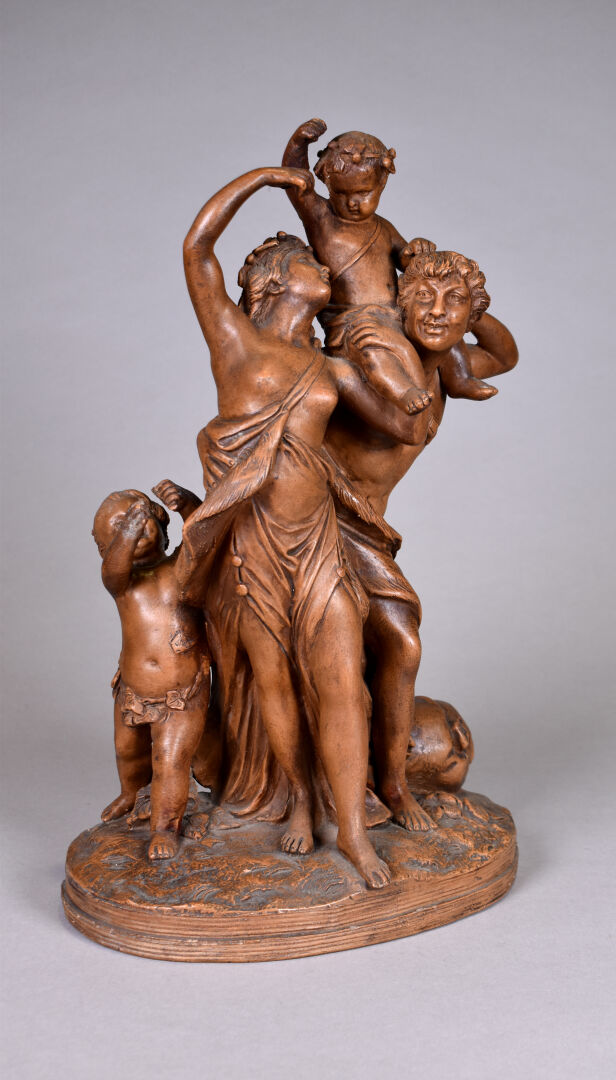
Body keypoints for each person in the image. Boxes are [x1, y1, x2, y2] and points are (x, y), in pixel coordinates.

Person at [175, 164, 426, 887]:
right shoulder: (235, 342)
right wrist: (264, 177)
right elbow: (197, 249)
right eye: (311, 264)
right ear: (277, 280)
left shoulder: (331, 370)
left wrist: (417, 352)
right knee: (275, 682)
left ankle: (354, 833)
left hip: (318, 542)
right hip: (253, 549)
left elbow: (407, 427)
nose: (326, 269)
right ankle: (296, 798)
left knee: (341, 680)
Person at [324, 249, 518, 829]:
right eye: (423, 301)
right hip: (322, 518)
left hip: (369, 532)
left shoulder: (442, 366)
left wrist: (466, 305)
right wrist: (450, 306)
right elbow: (405, 424)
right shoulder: (381, 354)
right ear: (400, 305)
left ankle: (391, 783)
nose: (436, 313)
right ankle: (342, 788)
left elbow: (505, 356)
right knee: (360, 649)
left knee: (402, 645)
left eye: (451, 304)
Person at [282, 118, 498, 409]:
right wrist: (298, 144)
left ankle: (459, 376)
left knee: (441, 328)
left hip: (396, 314)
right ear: (328, 185)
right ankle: (403, 392)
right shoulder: (322, 220)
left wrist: (415, 249)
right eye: (341, 194)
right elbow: (296, 183)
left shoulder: (383, 227)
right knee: (373, 353)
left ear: (381, 184)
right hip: (352, 323)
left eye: (363, 193)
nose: (352, 202)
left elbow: (406, 260)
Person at [93, 489, 209, 860]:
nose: (136, 526)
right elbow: (113, 569)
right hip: (131, 690)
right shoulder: (122, 583)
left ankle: (164, 829)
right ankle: (130, 794)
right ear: (107, 548)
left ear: (161, 524)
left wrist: (187, 504)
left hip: (182, 695)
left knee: (170, 762)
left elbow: (203, 536)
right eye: (121, 526)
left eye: (143, 519)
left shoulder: (180, 568)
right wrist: (132, 524)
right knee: (128, 753)